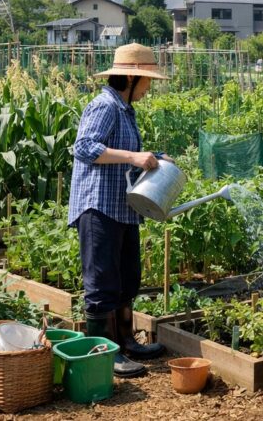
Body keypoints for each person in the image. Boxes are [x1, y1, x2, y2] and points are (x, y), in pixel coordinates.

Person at [69, 43, 169, 377]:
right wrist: (132, 157)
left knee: (128, 278)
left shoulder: (126, 110)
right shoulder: (104, 105)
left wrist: (149, 159)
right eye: (146, 80)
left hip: (121, 206)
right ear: (130, 77)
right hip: (98, 207)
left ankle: (127, 341)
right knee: (102, 283)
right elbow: (84, 148)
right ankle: (103, 352)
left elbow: (122, 156)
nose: (149, 86)